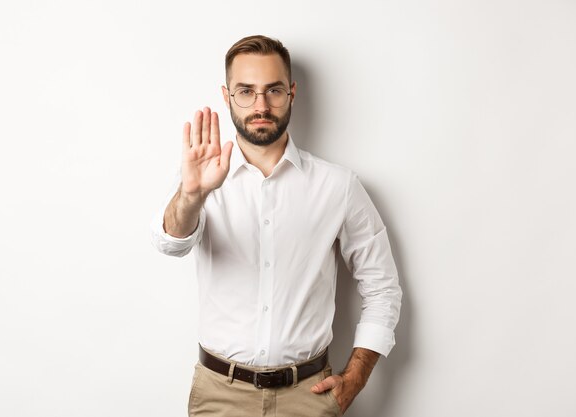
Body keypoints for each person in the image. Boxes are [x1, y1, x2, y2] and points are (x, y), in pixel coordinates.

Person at [150, 35, 402, 417]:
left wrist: (355, 379)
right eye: (246, 91)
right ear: (226, 95)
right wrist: (192, 195)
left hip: (309, 395)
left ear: (292, 93)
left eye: (274, 90)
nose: (261, 105)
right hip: (220, 395)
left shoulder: (338, 185)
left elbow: (382, 286)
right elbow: (171, 243)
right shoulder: (199, 180)